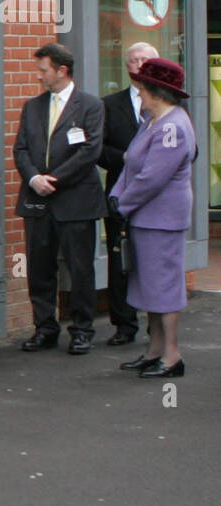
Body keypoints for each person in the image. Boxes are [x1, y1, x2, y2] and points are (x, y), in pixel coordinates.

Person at [13, 42, 106, 355]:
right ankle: (45, 328)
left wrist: (54, 179)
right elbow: (21, 149)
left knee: (80, 268)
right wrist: (33, 178)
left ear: (62, 70)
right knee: (39, 268)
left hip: (76, 200)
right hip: (38, 199)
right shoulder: (32, 107)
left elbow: (89, 151)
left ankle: (81, 330)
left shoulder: (90, 106)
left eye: (43, 70)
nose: (39, 76)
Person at [109, 58, 194, 378]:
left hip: (163, 220)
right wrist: (117, 196)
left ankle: (172, 357)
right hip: (146, 218)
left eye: (143, 89)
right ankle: (154, 351)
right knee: (148, 287)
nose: (139, 94)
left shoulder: (172, 126)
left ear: (158, 93)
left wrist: (122, 204)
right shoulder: (152, 121)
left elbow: (152, 177)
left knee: (164, 288)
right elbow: (131, 164)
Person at [97, 42, 158, 346]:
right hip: (120, 194)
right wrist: (126, 158)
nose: (138, 64)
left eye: (144, 59)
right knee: (119, 261)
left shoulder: (169, 106)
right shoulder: (109, 104)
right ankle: (123, 325)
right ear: (126, 66)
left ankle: (156, 327)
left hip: (155, 198)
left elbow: (188, 149)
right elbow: (98, 148)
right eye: (133, 60)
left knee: (152, 261)